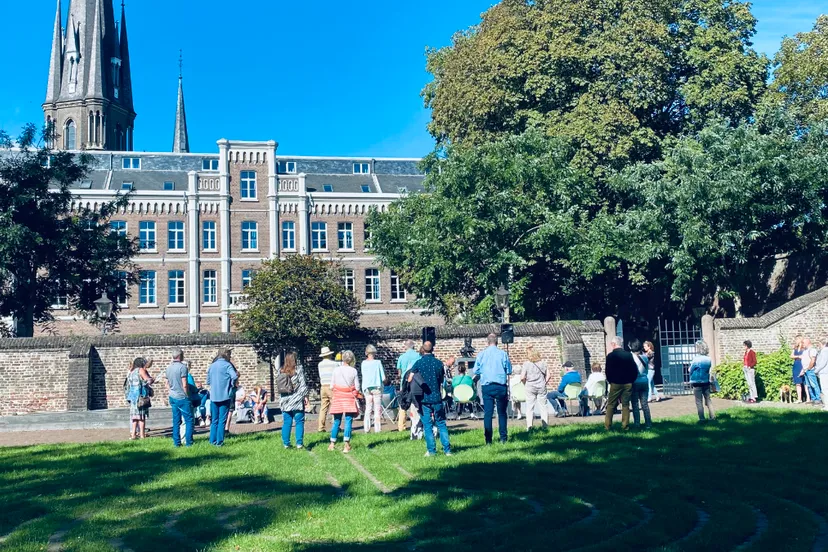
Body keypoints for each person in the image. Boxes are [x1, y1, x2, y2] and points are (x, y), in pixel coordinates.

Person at [409, 341, 452, 456]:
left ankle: (431, 450)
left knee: (427, 425)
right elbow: (441, 379)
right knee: (441, 423)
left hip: (424, 399)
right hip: (437, 397)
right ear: (432, 349)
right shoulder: (439, 364)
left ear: (423, 349)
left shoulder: (418, 363)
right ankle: (447, 450)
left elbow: (410, 378)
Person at [473, 333, 512, 445]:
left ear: (487, 342)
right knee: (502, 413)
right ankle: (503, 438)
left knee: (488, 413)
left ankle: (488, 440)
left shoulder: (482, 354)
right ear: (497, 342)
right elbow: (509, 370)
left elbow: (476, 370)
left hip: (487, 386)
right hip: (500, 386)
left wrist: (485, 371)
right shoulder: (503, 354)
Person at [330, 350, 360, 453]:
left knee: (336, 421)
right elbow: (357, 387)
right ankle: (346, 444)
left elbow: (331, 386)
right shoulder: (353, 371)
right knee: (348, 421)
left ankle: (332, 443)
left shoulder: (336, 370)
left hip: (338, 398)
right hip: (349, 399)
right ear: (351, 359)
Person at [604, 336, 638, 431]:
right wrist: (631, 380)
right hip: (627, 383)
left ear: (614, 344)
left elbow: (608, 371)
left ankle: (607, 426)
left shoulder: (610, 356)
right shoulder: (628, 355)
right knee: (626, 405)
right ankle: (625, 426)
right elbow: (634, 370)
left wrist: (610, 381)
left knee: (611, 404)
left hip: (615, 383)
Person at [206, 348, 238, 447]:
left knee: (214, 420)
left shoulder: (212, 366)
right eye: (229, 355)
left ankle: (212, 440)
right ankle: (219, 441)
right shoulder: (227, 365)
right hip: (224, 396)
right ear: (226, 355)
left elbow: (208, 381)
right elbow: (234, 376)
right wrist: (231, 385)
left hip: (214, 396)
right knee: (222, 420)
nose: (230, 357)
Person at [279, 352, 309, 449]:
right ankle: (299, 443)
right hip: (296, 399)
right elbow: (303, 385)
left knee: (287, 422)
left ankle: (286, 444)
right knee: (299, 421)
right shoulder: (298, 369)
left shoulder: (281, 371)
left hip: (285, 400)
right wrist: (305, 397)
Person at [165, 347, 194, 447]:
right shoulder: (182, 368)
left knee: (176, 420)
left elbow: (167, 383)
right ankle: (189, 442)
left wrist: (171, 391)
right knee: (189, 419)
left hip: (172, 396)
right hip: (182, 396)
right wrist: (187, 395)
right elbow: (184, 384)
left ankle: (176, 442)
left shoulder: (168, 368)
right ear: (180, 356)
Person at [124, 357, 154, 440]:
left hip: (132, 396)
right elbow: (148, 380)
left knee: (134, 417)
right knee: (141, 417)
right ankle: (142, 435)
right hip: (140, 396)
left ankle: (133, 435)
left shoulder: (131, 371)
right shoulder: (140, 370)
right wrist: (152, 379)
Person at [396, 340, 422, 432]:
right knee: (415, 404)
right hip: (416, 382)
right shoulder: (418, 356)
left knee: (403, 404)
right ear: (414, 347)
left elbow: (399, 373)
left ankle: (401, 426)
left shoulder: (401, 357)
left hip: (404, 383)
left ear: (406, 347)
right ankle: (414, 423)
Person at [521, 347, 549, 429]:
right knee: (543, 406)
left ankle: (529, 426)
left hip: (530, 386)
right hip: (541, 386)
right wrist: (544, 383)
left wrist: (525, 384)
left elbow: (522, 377)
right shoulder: (543, 363)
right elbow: (549, 375)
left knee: (529, 407)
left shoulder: (526, 364)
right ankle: (545, 426)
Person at [361, 345, 386, 433]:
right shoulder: (378, 362)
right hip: (377, 387)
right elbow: (383, 377)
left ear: (366, 353)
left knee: (368, 408)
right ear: (374, 353)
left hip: (367, 388)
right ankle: (377, 429)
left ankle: (366, 428)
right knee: (377, 409)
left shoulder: (363, 363)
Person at [689, 341, 716, 423]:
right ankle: (713, 416)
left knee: (698, 401)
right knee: (708, 399)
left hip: (696, 382)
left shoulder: (696, 359)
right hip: (706, 381)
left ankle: (702, 418)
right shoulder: (708, 359)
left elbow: (691, 370)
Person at [630, 340, 652, 429]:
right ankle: (648, 423)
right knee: (645, 404)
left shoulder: (631, 357)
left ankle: (637, 424)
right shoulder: (645, 357)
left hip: (635, 382)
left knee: (635, 404)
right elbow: (647, 369)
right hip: (644, 381)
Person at [317, 346, 339, 433]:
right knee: (335, 407)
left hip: (323, 386)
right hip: (332, 386)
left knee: (323, 407)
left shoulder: (320, 364)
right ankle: (336, 425)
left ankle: (321, 427)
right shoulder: (334, 364)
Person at [801, 337, 821, 405]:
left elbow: (813, 360)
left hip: (810, 370)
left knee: (814, 384)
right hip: (806, 370)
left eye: (803, 342)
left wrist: (809, 368)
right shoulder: (805, 351)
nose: (802, 344)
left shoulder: (812, 350)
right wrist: (804, 370)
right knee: (809, 385)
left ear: (808, 342)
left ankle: (818, 399)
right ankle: (813, 398)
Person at [791, 336, 808, 403]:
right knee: (797, 383)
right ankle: (799, 398)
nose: (796, 341)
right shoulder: (795, 348)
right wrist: (798, 356)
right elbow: (791, 356)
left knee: (805, 382)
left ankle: (807, 398)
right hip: (796, 365)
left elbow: (805, 357)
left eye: (797, 340)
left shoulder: (804, 349)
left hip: (802, 365)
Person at [815, 338, 828, 412]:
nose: (818, 345)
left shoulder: (824, 351)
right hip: (824, 372)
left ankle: (827, 406)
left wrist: (816, 370)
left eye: (819, 343)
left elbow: (823, 363)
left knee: (825, 389)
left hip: (824, 372)